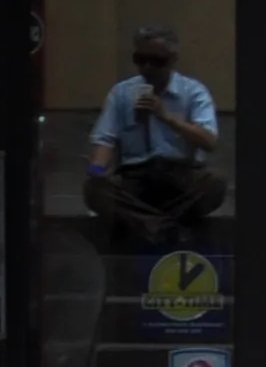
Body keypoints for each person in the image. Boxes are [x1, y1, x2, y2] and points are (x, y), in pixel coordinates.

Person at [83, 27, 225, 244]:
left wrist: (166, 118)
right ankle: (166, 229)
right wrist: (96, 170)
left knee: (215, 183)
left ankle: (146, 225)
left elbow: (209, 141)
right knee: (95, 190)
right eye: (141, 60)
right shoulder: (121, 92)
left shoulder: (193, 92)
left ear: (172, 60)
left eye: (157, 61)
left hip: (180, 174)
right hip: (135, 175)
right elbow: (105, 139)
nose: (147, 68)